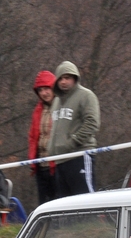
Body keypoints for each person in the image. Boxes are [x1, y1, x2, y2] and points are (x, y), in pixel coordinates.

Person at [48, 61, 100, 197]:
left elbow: (92, 123)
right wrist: (51, 149)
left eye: (67, 78)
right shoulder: (56, 101)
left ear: (75, 78)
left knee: (85, 199)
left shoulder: (86, 95)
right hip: (60, 160)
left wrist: (72, 142)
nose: (63, 82)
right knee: (65, 203)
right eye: (60, 78)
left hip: (79, 156)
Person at [28, 70, 57, 205]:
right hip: (40, 165)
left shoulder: (62, 106)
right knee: (44, 204)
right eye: (40, 90)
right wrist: (32, 160)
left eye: (47, 88)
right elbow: (33, 137)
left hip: (57, 164)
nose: (44, 93)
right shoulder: (37, 110)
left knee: (60, 201)